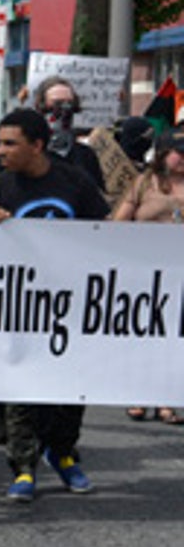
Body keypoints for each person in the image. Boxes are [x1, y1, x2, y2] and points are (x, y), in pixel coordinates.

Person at [0, 107, 110, 503]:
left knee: (72, 386)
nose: (0, 151)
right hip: (20, 305)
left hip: (72, 303)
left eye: (10, 144)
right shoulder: (1, 185)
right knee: (21, 387)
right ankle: (23, 467)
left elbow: (104, 234)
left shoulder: (75, 182)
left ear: (37, 145)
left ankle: (63, 454)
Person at [115, 128, 183, 425]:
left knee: (175, 339)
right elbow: (119, 223)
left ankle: (166, 400)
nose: (182, 158)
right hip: (145, 274)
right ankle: (137, 395)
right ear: (163, 153)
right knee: (144, 334)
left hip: (180, 274)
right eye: (177, 151)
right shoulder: (144, 183)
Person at [31, 76, 105, 190]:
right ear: (42, 106)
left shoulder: (86, 155)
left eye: (70, 103)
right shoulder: (28, 154)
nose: (65, 108)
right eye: (57, 103)